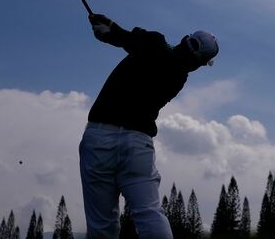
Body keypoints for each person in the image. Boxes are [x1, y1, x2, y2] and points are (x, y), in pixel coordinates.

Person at [79, 13, 219, 239]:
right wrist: (111, 29)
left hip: (99, 138)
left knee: (102, 224)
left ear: (185, 39)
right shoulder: (178, 77)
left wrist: (109, 29)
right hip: (137, 145)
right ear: (199, 64)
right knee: (149, 213)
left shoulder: (154, 43)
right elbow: (122, 38)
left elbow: (120, 37)